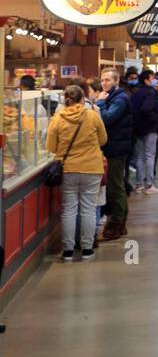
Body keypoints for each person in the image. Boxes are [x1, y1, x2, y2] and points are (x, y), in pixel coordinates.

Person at [48, 84, 108, 261]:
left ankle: (67, 250)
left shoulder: (57, 118)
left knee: (69, 209)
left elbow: (51, 146)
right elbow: (103, 140)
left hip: (68, 168)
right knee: (89, 209)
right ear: (83, 99)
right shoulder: (92, 115)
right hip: (92, 168)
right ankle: (87, 249)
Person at [95, 68, 132, 240]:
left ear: (116, 81)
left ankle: (115, 225)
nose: (104, 83)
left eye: (108, 80)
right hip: (114, 146)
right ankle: (119, 223)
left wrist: (100, 103)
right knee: (117, 185)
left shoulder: (120, 99)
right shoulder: (114, 97)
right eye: (102, 80)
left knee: (115, 187)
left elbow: (107, 119)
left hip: (116, 149)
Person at [129, 68, 158, 194]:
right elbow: (146, 109)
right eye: (152, 78)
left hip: (137, 128)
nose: (154, 80)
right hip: (149, 128)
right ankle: (149, 184)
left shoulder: (136, 93)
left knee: (139, 156)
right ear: (146, 80)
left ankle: (139, 184)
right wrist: (155, 120)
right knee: (150, 155)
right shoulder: (151, 93)